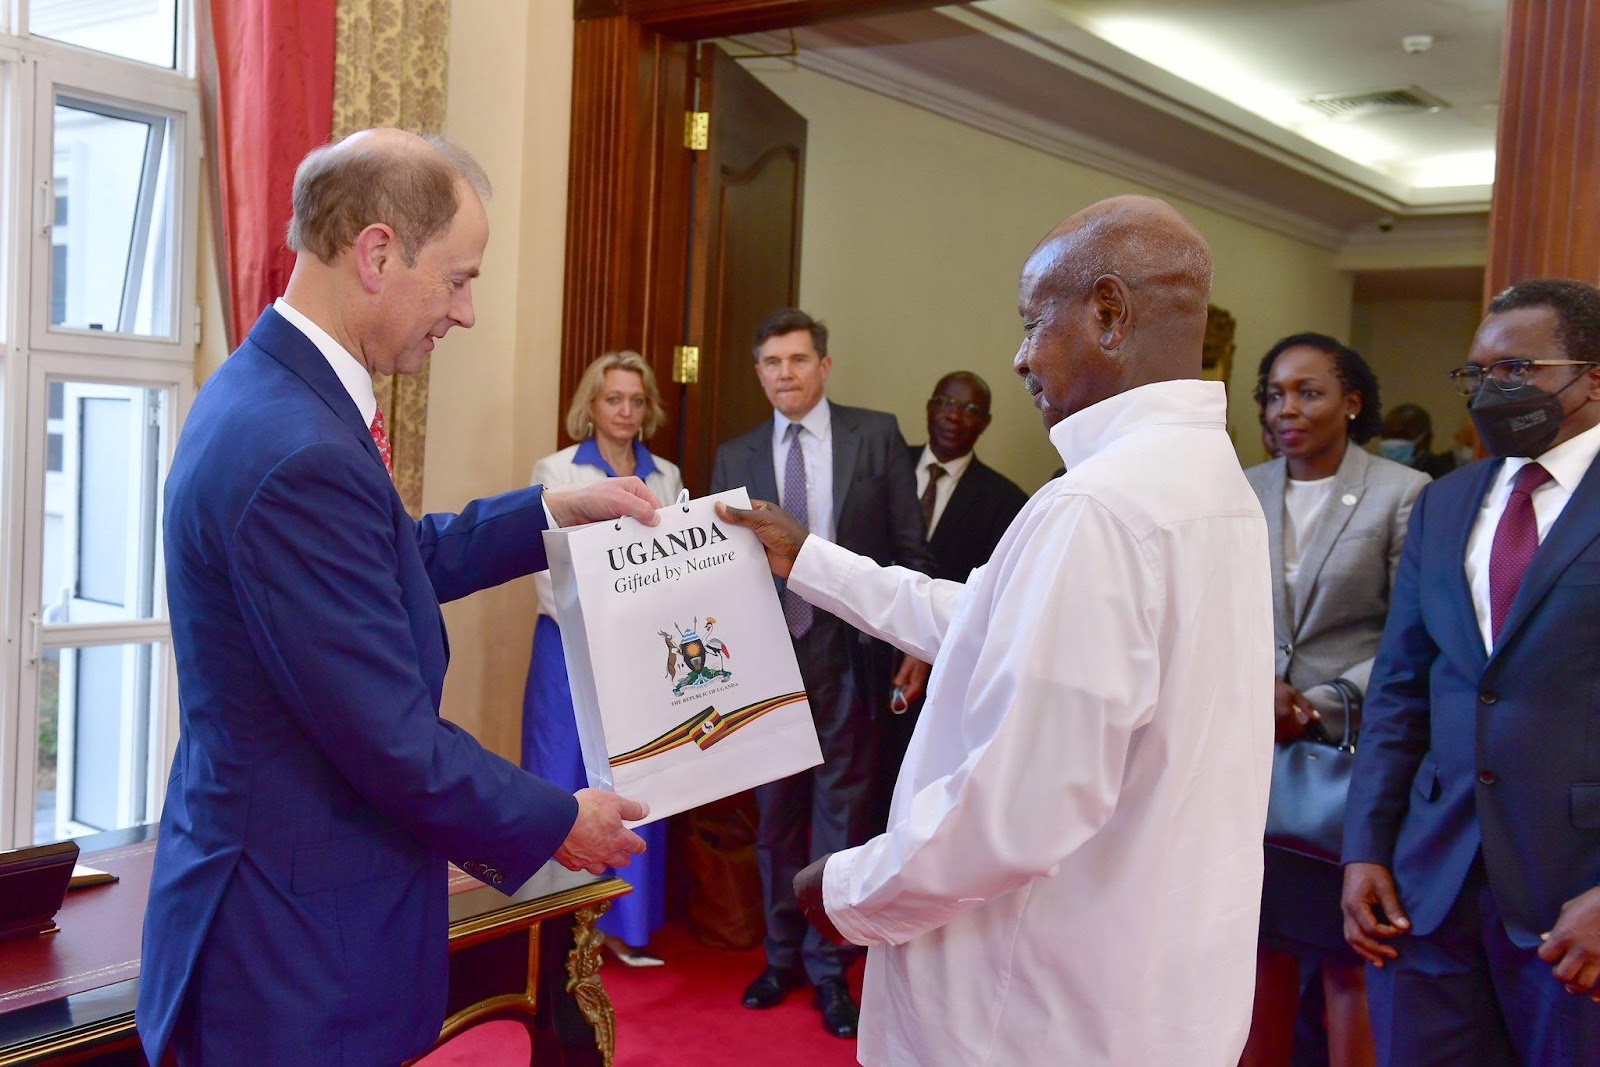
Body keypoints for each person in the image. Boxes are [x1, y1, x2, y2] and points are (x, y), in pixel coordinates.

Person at [137, 130, 656, 1066]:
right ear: (377, 253)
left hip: (284, 911)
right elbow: (390, 739)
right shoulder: (297, 446)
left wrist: (550, 511)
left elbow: (387, 561)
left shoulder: (279, 396)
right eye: (457, 280)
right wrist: (558, 819)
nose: (463, 313)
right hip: (287, 950)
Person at [719, 195, 1274, 1064]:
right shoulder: (1211, 487)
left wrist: (853, 886)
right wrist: (811, 560)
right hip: (1148, 989)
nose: (1019, 356)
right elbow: (987, 618)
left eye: (1031, 323)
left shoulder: (1098, 506)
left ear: (1108, 313)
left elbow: (1018, 807)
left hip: (1034, 1008)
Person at [1343, 278, 1600, 1065]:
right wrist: (1365, 846)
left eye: (1516, 369)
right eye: (1477, 372)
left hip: (1574, 896)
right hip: (1428, 885)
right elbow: (1400, 688)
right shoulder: (1447, 502)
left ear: (1592, 374)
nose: (1490, 390)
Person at [709, 308, 932, 1039]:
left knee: (841, 815)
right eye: (771, 362)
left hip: (851, 654)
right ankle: (780, 959)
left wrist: (915, 642)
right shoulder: (734, 454)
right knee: (776, 816)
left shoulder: (877, 434)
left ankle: (830, 967)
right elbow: (717, 573)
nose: (785, 374)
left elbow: (910, 547)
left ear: (824, 366)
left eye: (798, 360)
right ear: (758, 371)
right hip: (770, 655)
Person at [1241, 334, 1429, 1067]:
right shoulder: (1241, 489)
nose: (1287, 407)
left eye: (1308, 391)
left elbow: (1412, 631)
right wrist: (1254, 688)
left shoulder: (1401, 493)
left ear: (1351, 403)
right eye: (1274, 393)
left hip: (1347, 762)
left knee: (1348, 959)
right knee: (1255, 953)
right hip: (1252, 759)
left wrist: (1318, 700)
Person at [522, 350, 683, 966]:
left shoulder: (665, 475)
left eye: (636, 400)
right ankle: (552, 928)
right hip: (567, 647)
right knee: (559, 775)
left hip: (642, 652)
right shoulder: (556, 470)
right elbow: (543, 566)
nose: (625, 410)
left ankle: (625, 927)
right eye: (613, 398)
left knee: (636, 777)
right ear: (590, 406)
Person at [872, 371, 1027, 825]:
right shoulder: (884, 468)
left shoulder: (1006, 501)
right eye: (946, 402)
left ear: (985, 423)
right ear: (929, 406)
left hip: (945, 671)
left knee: (918, 802)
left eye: (971, 410)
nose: (954, 416)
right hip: (866, 660)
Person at [1379, 402, 1457, 479]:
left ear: (1425, 440)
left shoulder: (1443, 477)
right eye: (1385, 435)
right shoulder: (1379, 473)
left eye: (1401, 436)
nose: (1391, 442)